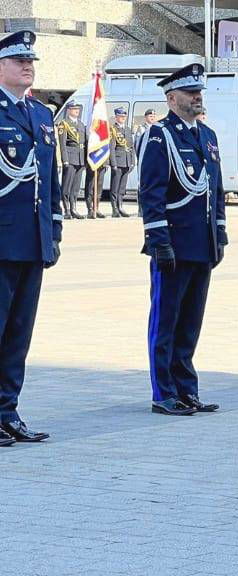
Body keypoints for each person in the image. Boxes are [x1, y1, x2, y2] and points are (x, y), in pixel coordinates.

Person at [138, 63, 226, 416]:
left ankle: (187, 388)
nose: (197, 97)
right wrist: (158, 239)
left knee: (190, 320)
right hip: (173, 243)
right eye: (191, 93)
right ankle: (164, 391)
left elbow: (215, 191)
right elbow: (152, 191)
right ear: (172, 98)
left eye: (199, 92)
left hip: (201, 243)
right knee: (166, 320)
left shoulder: (207, 136)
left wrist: (219, 233)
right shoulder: (160, 135)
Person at [0, 30, 61, 446]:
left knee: (19, 333)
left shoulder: (41, 115)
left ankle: (7, 411)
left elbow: (50, 181)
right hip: (2, 241)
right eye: (19, 60)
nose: (28, 65)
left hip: (32, 240)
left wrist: (53, 230)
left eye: (32, 60)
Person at [56, 100, 86, 219]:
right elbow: (62, 144)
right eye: (74, 109)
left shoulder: (80, 124)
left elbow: (83, 142)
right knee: (67, 186)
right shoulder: (64, 124)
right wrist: (65, 160)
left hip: (79, 158)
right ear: (69, 110)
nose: (77, 111)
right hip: (70, 157)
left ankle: (74, 208)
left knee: (76, 186)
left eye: (78, 109)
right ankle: (67, 209)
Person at [108, 107, 134, 218]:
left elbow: (131, 147)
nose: (122, 118)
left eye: (124, 117)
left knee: (122, 187)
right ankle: (114, 209)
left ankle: (120, 206)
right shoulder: (112, 129)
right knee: (115, 186)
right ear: (116, 117)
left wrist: (132, 161)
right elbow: (111, 148)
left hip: (127, 161)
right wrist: (113, 163)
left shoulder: (128, 130)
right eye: (120, 116)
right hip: (118, 161)